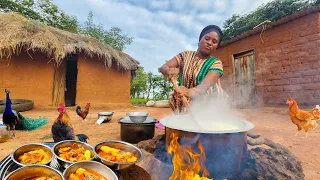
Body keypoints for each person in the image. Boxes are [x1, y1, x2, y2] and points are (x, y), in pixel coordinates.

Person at [159, 25, 224, 113]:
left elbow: (204, 86)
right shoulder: (185, 55)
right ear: (200, 39)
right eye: (207, 38)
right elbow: (163, 67)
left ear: (216, 47)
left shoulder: (216, 63)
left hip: (209, 105)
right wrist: (168, 70)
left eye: (214, 41)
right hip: (184, 102)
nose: (209, 43)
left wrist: (188, 92)